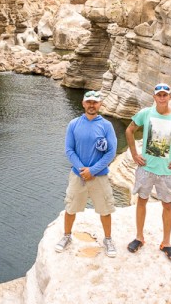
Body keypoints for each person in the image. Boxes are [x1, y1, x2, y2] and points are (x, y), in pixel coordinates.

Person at [125, 83, 171, 261]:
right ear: (154, 97)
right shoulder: (146, 113)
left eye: (165, 95)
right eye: (159, 95)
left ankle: (166, 243)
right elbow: (129, 130)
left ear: (170, 97)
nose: (162, 98)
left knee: (167, 205)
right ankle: (139, 238)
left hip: (166, 171)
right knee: (142, 201)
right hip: (146, 168)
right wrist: (134, 153)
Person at [55, 90, 118, 257]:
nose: (92, 105)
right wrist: (83, 169)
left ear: (100, 104)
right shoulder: (74, 124)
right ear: (83, 104)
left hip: (100, 176)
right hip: (78, 175)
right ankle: (67, 236)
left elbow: (111, 152)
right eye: (88, 102)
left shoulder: (106, 126)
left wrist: (93, 170)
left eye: (95, 102)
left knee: (105, 209)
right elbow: (69, 150)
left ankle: (108, 239)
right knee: (70, 207)